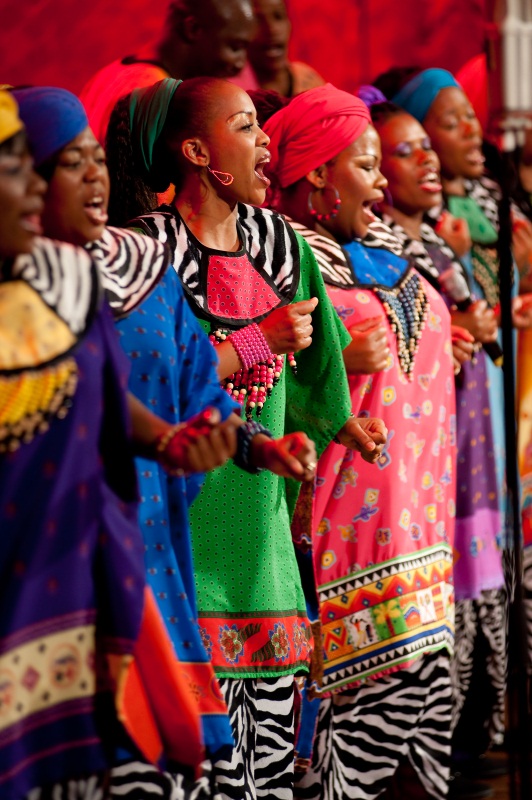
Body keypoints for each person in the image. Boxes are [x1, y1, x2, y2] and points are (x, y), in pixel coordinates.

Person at [12, 83, 326, 798]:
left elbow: (195, 391)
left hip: (147, 567)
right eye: (69, 163)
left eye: (97, 159)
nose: (94, 176)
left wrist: (255, 447)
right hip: (44, 585)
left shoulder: (139, 271)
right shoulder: (29, 296)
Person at [105, 75, 387, 799]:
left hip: (261, 525)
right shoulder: (146, 252)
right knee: (203, 764)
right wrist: (255, 343)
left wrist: (340, 424)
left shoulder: (280, 243)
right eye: (246, 126)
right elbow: (154, 384)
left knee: (270, 759)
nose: (266, 142)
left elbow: (321, 355)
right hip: (187, 522)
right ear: (199, 152)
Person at [0, 89, 231, 800]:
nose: (34, 188)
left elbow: (112, 398)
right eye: (19, 167)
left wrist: (173, 440)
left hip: (93, 585)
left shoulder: (72, 283)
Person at [261, 83, 457, 800]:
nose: (379, 185)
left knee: (424, 722)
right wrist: (330, 366)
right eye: (367, 166)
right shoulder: (281, 257)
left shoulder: (369, 249)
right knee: (350, 746)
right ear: (316, 173)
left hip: (415, 545)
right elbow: (234, 373)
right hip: (340, 546)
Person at [383, 66, 532, 795]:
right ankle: (455, 743)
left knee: (488, 593)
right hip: (432, 466)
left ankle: (484, 730)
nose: (447, 150)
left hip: (481, 445)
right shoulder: (394, 254)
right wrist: (460, 327)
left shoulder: (446, 243)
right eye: (412, 148)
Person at [79, 0, 257, 146]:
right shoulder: (158, 96)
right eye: (235, 47)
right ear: (192, 29)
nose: (240, 64)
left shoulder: (110, 74)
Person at [245, 0, 325, 97]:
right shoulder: (234, 93)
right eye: (257, 20)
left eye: (278, 17)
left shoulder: (309, 81)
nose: (271, 29)